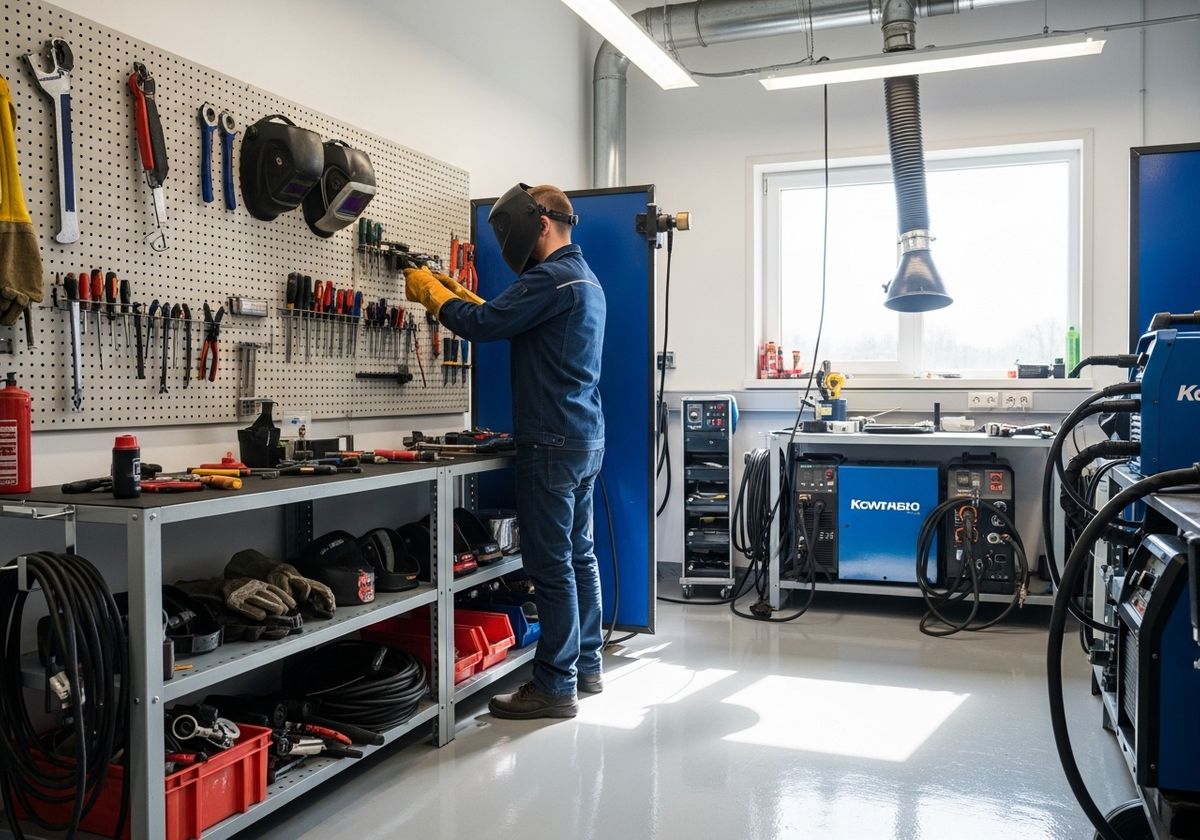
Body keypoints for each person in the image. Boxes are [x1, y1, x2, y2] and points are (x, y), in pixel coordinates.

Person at [403, 183, 606, 720]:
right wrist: (454, 291)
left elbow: (483, 324)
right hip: (585, 439)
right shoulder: (584, 279)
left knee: (551, 565)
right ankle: (586, 665)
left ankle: (554, 687)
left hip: (553, 443)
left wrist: (432, 294)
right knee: (579, 555)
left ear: (541, 224)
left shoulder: (552, 278)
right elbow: (502, 314)